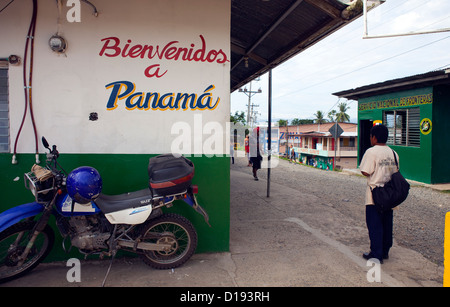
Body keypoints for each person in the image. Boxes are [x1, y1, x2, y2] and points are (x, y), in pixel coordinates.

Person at [360, 124, 399, 264]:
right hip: (389, 194)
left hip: (375, 194)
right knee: (387, 223)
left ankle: (376, 254)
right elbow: (396, 171)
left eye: (371, 136)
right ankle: (385, 251)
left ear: (374, 137)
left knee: (375, 224)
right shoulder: (393, 153)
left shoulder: (371, 152)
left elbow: (365, 171)